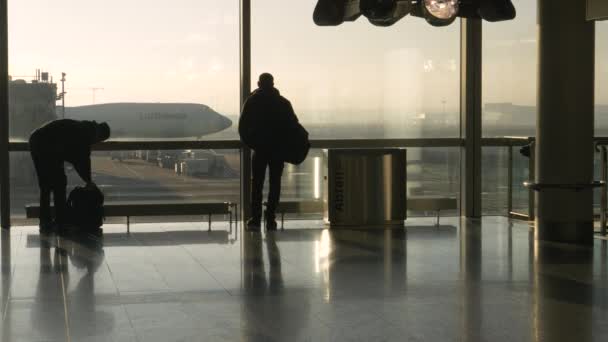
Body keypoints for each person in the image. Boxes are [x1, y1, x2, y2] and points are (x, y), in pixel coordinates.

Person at [239, 73, 299, 231]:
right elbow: (293, 126)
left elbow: (243, 127)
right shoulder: (283, 103)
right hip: (277, 150)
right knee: (275, 184)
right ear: (273, 83)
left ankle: (256, 218)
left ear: (259, 83)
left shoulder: (252, 102)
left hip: (259, 150)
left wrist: (253, 144)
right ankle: (271, 218)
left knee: (257, 184)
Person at [29, 119, 111, 232]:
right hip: (48, 146)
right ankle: (60, 221)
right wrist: (89, 181)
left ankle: (45, 222)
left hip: (37, 140)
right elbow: (82, 160)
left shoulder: (84, 127)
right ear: (99, 136)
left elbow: (78, 156)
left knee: (45, 186)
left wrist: (87, 179)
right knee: (60, 184)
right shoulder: (86, 134)